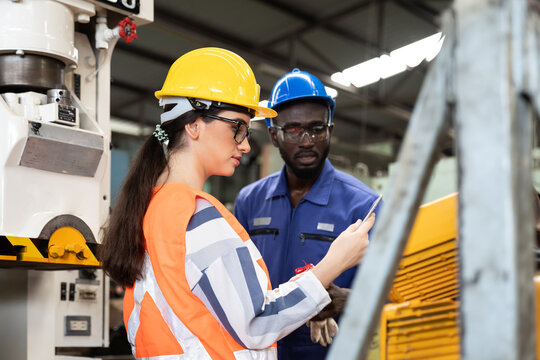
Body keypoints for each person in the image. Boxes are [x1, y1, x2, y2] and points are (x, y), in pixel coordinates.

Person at [99, 48, 375, 360]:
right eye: (237, 128)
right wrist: (332, 264)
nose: (244, 144)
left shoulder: (154, 206)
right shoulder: (197, 216)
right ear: (194, 125)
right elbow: (257, 321)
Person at [234, 68, 382, 360]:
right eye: (293, 129)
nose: (306, 140)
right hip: (261, 351)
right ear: (274, 136)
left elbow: (396, 292)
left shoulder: (364, 206)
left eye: (317, 128)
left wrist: (349, 301)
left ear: (330, 131)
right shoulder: (249, 202)